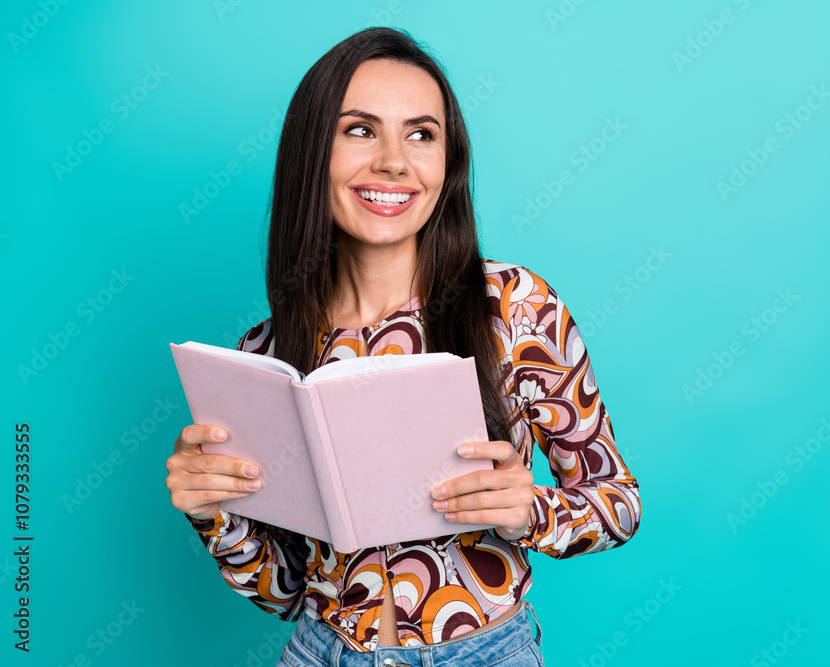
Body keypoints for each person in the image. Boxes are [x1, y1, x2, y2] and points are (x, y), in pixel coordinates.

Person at [164, 27, 641, 667]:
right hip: (323, 652)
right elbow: (284, 591)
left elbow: (617, 503)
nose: (394, 161)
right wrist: (213, 513)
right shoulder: (264, 354)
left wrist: (530, 512)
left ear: (448, 164)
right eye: (360, 130)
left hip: (486, 652)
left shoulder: (515, 306)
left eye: (421, 135)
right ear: (314, 153)